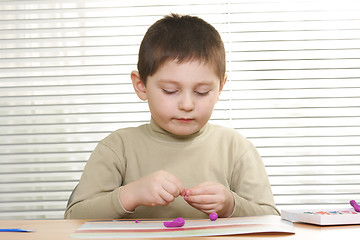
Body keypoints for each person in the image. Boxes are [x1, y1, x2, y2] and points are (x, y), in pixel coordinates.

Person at [64, 13, 279, 219]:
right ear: (141, 86)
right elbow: (73, 217)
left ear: (221, 88)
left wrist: (231, 205)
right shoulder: (118, 148)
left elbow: (271, 219)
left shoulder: (236, 149)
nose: (187, 105)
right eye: (169, 91)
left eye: (202, 92)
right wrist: (131, 194)